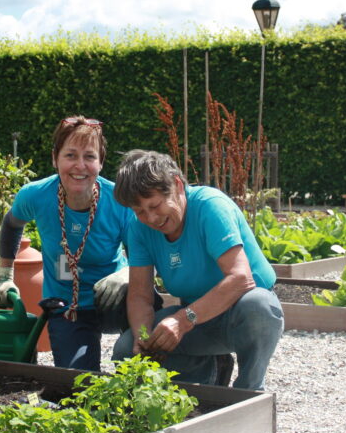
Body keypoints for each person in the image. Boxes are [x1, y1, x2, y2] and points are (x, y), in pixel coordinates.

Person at [111, 149, 283, 390]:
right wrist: (142, 336)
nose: (150, 218)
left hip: (240, 314)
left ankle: (249, 393)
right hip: (199, 318)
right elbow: (140, 295)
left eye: (155, 205)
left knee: (258, 307)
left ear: (177, 185)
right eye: (140, 211)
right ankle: (207, 380)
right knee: (125, 351)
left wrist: (183, 320)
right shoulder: (139, 229)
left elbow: (241, 279)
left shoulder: (209, 206)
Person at [0, 116, 132, 370]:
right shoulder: (36, 195)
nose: (80, 166)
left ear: (101, 162)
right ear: (55, 158)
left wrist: (128, 273)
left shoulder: (120, 200)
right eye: (70, 155)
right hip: (67, 305)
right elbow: (12, 223)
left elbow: (144, 251)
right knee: (77, 384)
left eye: (89, 156)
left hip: (113, 299)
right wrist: (4, 275)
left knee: (145, 310)